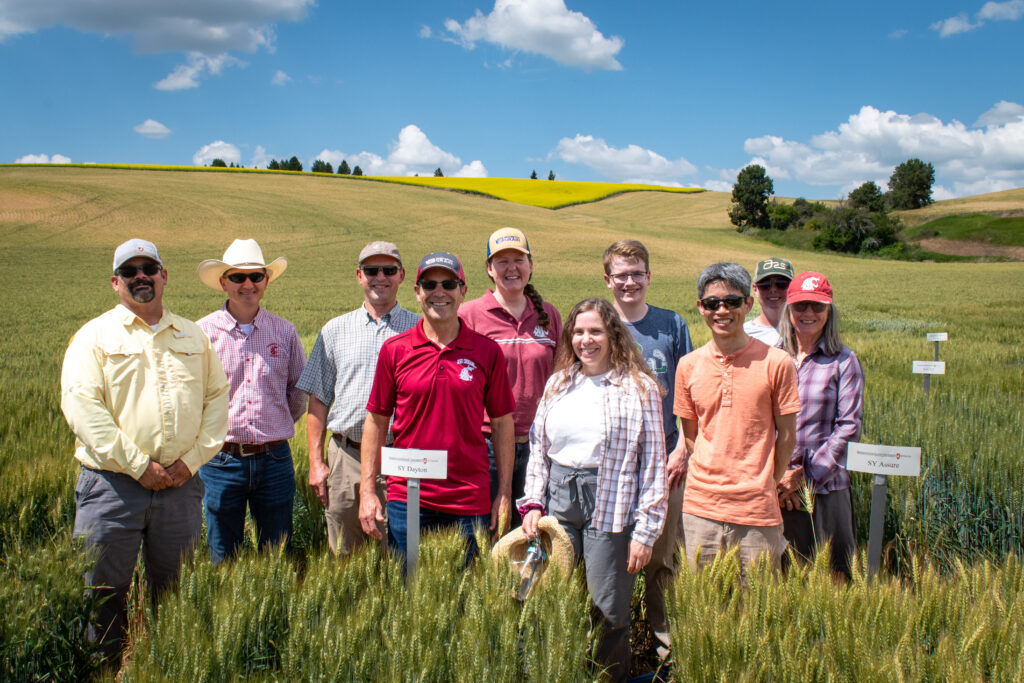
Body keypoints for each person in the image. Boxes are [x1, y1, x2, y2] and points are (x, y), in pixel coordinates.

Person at [60, 239, 229, 662]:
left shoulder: (193, 336)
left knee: (176, 591)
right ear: (115, 282)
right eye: (130, 271)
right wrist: (139, 466)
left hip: (180, 487)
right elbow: (82, 407)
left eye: (149, 268)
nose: (141, 277)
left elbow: (217, 401)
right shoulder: (93, 337)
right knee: (100, 591)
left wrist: (190, 464)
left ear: (163, 275)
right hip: (112, 486)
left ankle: (166, 665)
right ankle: (102, 668)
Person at [519, 297, 667, 683]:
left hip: (611, 504)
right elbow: (539, 448)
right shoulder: (559, 382)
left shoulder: (639, 387)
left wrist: (646, 531)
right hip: (559, 499)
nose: (587, 340)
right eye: (579, 332)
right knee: (552, 601)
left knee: (608, 609)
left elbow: (653, 463)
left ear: (613, 335)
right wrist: (533, 501)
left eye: (596, 331)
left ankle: (608, 678)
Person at [359, 252, 516, 561]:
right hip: (408, 496)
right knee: (409, 593)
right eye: (429, 284)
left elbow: (501, 423)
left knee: (464, 597)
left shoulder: (487, 352)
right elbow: (376, 421)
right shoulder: (395, 350)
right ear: (417, 291)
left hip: (468, 498)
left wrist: (505, 492)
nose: (439, 292)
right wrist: (366, 491)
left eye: (449, 284)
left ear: (463, 291)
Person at [674, 262, 800, 574]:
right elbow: (691, 436)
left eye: (731, 302)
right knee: (704, 609)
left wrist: (767, 482)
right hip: (701, 508)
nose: (721, 311)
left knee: (755, 614)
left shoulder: (777, 362)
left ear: (748, 303)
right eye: (712, 303)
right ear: (701, 308)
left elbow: (786, 436)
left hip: (757, 510)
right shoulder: (688, 366)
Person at [297, 241, 419, 555]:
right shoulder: (334, 330)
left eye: (388, 270)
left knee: (401, 557)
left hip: (400, 459)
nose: (380, 277)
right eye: (371, 270)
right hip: (345, 457)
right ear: (359, 275)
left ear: (402, 275)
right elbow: (319, 400)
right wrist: (315, 462)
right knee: (344, 557)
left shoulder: (420, 330)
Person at [601, 239, 692, 659]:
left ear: (649, 277)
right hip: (610, 467)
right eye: (621, 274)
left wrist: (685, 448)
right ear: (608, 280)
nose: (630, 281)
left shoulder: (671, 325)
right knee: (607, 560)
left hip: (665, 464)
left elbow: (692, 392)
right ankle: (609, 650)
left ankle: (662, 648)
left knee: (661, 562)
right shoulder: (596, 324)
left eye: (637, 273)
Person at [195, 239, 307, 564]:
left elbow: (297, 393)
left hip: (274, 459)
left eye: (256, 276)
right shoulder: (203, 334)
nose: (248, 284)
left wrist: (272, 422)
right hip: (220, 460)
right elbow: (193, 397)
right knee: (223, 556)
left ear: (266, 281)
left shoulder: (284, 332)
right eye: (238, 277)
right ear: (223, 282)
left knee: (277, 555)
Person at [460, 227, 562, 529]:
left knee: (531, 534)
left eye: (519, 259)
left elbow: (562, 378)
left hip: (539, 445)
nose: (511, 268)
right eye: (501, 261)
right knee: (486, 529)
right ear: (489, 269)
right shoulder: (470, 315)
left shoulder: (549, 314)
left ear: (530, 265)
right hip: (485, 445)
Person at [776, 272, 864, 577]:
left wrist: (805, 477)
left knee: (832, 580)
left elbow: (849, 427)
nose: (808, 313)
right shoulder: (774, 358)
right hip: (778, 491)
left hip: (826, 490)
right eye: (800, 306)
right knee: (782, 580)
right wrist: (779, 477)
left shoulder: (843, 361)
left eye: (817, 306)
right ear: (789, 309)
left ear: (829, 311)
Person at [744, 257, 794, 346]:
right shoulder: (743, 333)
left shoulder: (804, 329)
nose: (773, 290)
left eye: (781, 283)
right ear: (755, 289)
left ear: (793, 287)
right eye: (765, 284)